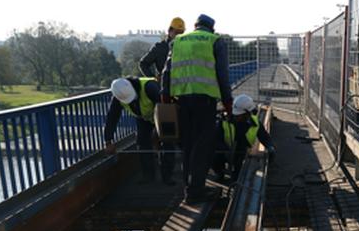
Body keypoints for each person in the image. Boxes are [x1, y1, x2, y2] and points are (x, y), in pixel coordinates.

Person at [162, 14, 233, 203]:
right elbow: (222, 74)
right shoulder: (215, 41)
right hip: (205, 100)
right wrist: (227, 101)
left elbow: (166, 71)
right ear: (212, 28)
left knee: (188, 145)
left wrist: (165, 97)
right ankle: (195, 192)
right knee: (203, 146)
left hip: (181, 100)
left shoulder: (178, 41)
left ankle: (189, 188)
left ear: (195, 26)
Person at [104, 77, 175, 184]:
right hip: (144, 118)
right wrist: (108, 141)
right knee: (143, 143)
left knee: (166, 142)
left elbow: (164, 106)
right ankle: (148, 176)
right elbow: (112, 118)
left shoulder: (149, 87)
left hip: (163, 115)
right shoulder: (118, 97)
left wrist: (157, 130)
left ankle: (167, 177)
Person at [212, 94, 275, 181]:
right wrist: (225, 150)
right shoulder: (224, 122)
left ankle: (236, 176)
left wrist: (270, 146)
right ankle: (220, 173)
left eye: (239, 115)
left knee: (238, 176)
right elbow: (215, 140)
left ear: (247, 113)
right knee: (213, 155)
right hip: (224, 151)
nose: (237, 117)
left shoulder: (255, 123)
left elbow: (264, 136)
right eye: (237, 115)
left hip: (241, 154)